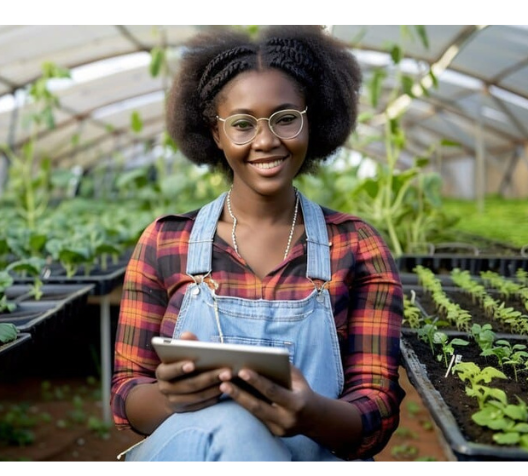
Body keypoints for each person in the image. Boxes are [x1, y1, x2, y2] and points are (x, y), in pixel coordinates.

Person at [110, 25, 405, 461]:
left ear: (312, 119)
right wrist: (173, 397)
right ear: (215, 134)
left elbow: (375, 407)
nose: (266, 140)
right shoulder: (165, 242)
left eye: (285, 118)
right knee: (231, 424)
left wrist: (312, 414)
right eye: (242, 124)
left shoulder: (357, 247)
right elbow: (126, 392)